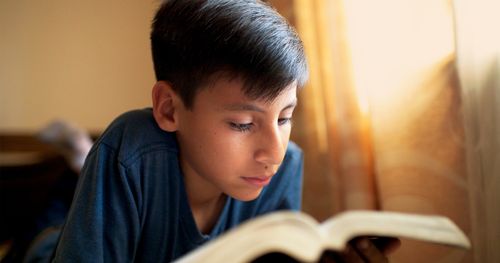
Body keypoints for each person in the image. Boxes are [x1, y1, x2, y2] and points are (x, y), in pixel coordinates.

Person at [49, 0, 399, 262]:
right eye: (242, 124)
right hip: (47, 248)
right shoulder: (130, 152)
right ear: (169, 108)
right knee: (50, 219)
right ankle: (80, 156)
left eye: (284, 118)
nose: (273, 153)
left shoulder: (284, 167)